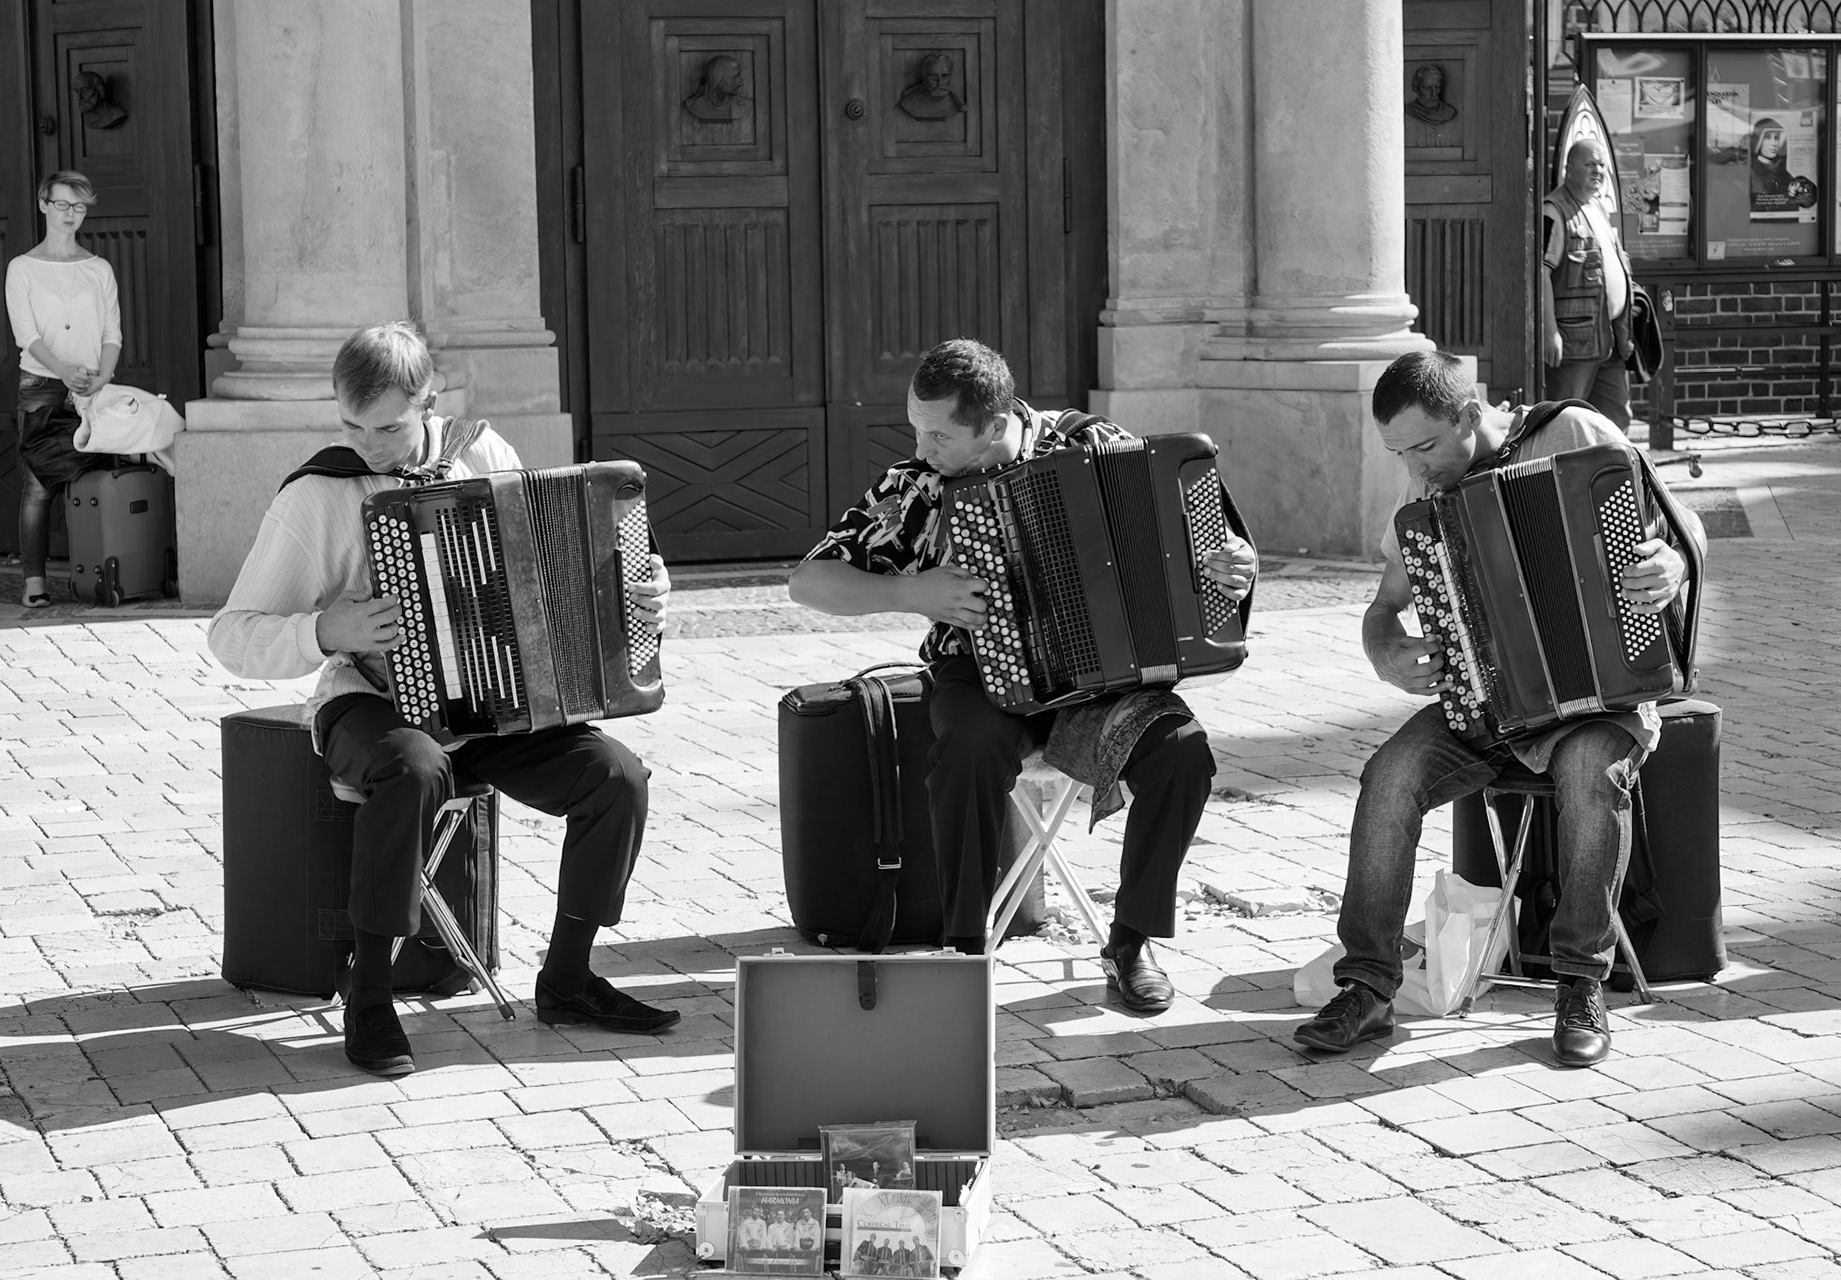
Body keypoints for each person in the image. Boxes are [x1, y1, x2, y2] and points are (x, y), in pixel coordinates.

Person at [208, 321, 680, 1077]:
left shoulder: (483, 455)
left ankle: (568, 978)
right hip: (368, 701)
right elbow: (231, 636)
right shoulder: (317, 495)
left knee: (617, 776)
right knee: (416, 770)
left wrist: (640, 591)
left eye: (388, 426)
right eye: (350, 424)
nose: (367, 443)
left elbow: (543, 579)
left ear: (431, 398)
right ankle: (370, 996)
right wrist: (326, 628)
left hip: (493, 704)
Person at [788, 339, 1257, 1014]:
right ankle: (965, 950)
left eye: (939, 434)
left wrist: (1231, 563)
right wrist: (914, 592)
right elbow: (809, 581)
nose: (922, 448)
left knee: (1183, 754)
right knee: (967, 755)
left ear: (995, 418)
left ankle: (1129, 944)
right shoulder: (917, 488)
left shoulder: (1097, 445)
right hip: (977, 675)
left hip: (1104, 686)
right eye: (916, 428)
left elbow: (1204, 544)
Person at [1293, 349, 1704, 1067]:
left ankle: (1580, 984)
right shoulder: (1424, 508)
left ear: (1470, 414)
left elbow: (1682, 527)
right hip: (1488, 711)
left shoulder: (1575, 433)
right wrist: (1384, 650)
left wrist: (1670, 560)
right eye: (1398, 453)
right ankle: (1367, 987)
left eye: (1424, 446)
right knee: (1390, 775)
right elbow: (1383, 609)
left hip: (1605, 700)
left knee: (1586, 770)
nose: (1415, 469)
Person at [5, 170, 119, 608]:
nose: (71, 214)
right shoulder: (22, 269)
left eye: (80, 206)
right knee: (37, 488)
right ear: (43, 204)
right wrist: (63, 372)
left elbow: (113, 332)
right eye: (62, 204)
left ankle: (98, 574)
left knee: (93, 480)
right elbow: (26, 335)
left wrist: (103, 377)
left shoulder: (98, 269)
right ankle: (35, 584)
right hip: (41, 386)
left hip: (91, 388)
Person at [1541, 139, 1634, 430]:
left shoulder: (1597, 209)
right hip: (1574, 342)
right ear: (1569, 169)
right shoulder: (1553, 212)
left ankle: (1614, 474)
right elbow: (1540, 274)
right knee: (1565, 420)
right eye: (1589, 164)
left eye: (1602, 165)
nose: (1598, 171)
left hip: (1609, 339)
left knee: (1615, 419)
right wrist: (1550, 331)